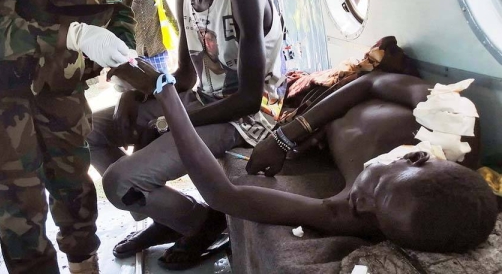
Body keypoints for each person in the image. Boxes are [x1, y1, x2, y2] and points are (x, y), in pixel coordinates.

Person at [107, 62, 499, 254]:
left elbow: (224, 195)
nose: (358, 201)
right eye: (376, 187)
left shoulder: (364, 212)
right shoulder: (449, 119)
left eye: (371, 214)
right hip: (313, 113)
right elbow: (369, 81)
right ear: (414, 159)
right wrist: (290, 134)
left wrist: (168, 94)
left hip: (316, 134)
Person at [87, 0, 285, 269]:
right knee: (90, 131)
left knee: (120, 183)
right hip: (201, 99)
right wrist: (133, 92)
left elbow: (248, 99)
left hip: (247, 119)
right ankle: (170, 217)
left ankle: (203, 223)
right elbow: (186, 76)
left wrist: (170, 122)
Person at [0, 0, 136, 273]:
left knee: (74, 185)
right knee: (20, 213)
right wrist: (71, 35)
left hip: (60, 85)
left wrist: (123, 47)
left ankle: (85, 265)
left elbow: (120, 5)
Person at [131, 0, 178, 73]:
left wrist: (182, 44)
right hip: (138, 56)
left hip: (158, 53)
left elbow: (171, 19)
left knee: (164, 85)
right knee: (143, 89)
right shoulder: (126, 1)